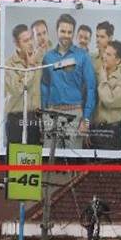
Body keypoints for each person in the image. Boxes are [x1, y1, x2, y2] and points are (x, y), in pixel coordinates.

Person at [40, 13, 97, 150]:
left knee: (72, 160)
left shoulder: (82, 56)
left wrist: (86, 120)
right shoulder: (48, 58)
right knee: (50, 160)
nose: (66, 35)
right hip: (51, 115)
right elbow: (44, 87)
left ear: (73, 33)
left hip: (75, 116)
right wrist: (44, 117)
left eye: (69, 32)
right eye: (63, 31)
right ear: (57, 31)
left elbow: (91, 88)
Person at [4, 24, 42, 146]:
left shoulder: (39, 61)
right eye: (26, 41)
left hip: (35, 118)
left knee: (35, 160)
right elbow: (17, 89)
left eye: (31, 38)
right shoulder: (9, 64)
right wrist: (30, 67)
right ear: (16, 43)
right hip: (16, 118)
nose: (30, 43)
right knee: (17, 160)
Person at [92, 40, 121, 150]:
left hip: (110, 134)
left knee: (108, 166)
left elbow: (109, 101)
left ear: (117, 60)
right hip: (93, 130)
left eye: (108, 54)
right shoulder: (96, 75)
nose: (104, 56)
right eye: (104, 52)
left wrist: (103, 78)